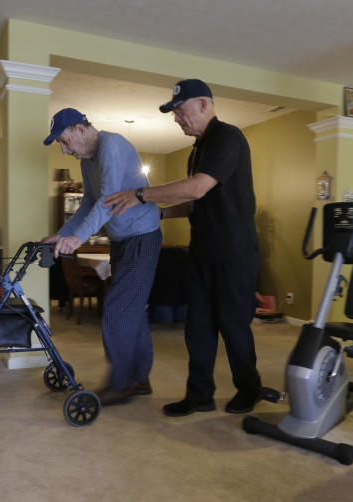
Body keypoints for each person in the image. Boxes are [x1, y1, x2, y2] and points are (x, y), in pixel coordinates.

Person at [103, 79, 263, 417]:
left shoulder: (228, 137)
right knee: (198, 328)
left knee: (234, 326)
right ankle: (199, 395)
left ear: (204, 104)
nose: (177, 118)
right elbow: (193, 204)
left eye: (180, 110)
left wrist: (141, 194)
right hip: (203, 253)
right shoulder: (199, 148)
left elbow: (197, 189)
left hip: (234, 254)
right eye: (174, 112)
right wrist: (152, 212)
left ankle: (250, 389)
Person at [42, 107, 162, 406]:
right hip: (122, 240)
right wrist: (63, 233)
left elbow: (108, 200)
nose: (64, 149)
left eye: (65, 141)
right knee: (131, 311)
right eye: (59, 144)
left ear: (81, 130)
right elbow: (88, 204)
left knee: (117, 310)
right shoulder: (88, 160)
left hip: (142, 236)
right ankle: (139, 379)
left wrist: (78, 238)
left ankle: (120, 384)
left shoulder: (112, 145)